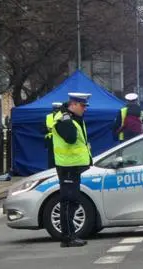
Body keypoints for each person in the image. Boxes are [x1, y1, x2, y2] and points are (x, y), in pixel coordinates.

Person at [52, 93, 93, 248]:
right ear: (73, 104)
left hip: (73, 165)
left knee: (73, 201)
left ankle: (71, 235)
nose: (84, 109)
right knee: (68, 201)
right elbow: (71, 138)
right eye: (82, 106)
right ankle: (67, 237)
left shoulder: (73, 118)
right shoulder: (64, 119)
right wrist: (69, 122)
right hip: (67, 166)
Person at [43, 102, 62, 169]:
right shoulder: (49, 117)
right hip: (54, 140)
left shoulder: (63, 117)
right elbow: (42, 129)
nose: (56, 111)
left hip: (55, 140)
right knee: (53, 159)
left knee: (55, 158)